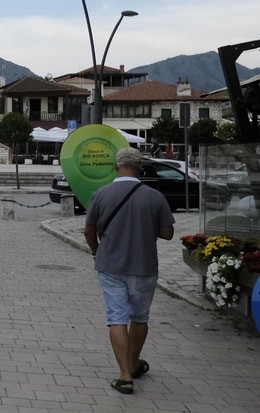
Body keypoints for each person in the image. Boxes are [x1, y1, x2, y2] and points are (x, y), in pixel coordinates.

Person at [83, 147, 174, 396]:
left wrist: (95, 251)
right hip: (144, 266)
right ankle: (134, 363)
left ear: (116, 166)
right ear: (140, 168)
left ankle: (125, 377)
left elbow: (89, 230)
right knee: (140, 317)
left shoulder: (101, 194)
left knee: (117, 318)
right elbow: (168, 233)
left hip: (111, 265)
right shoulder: (154, 197)